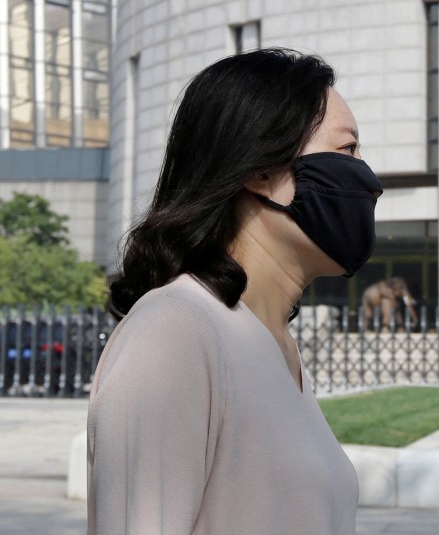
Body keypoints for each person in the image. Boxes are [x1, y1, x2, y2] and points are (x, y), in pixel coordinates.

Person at [87, 49, 382, 534]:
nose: (367, 180)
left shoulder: (274, 345)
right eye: (347, 150)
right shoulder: (174, 330)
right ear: (259, 169)